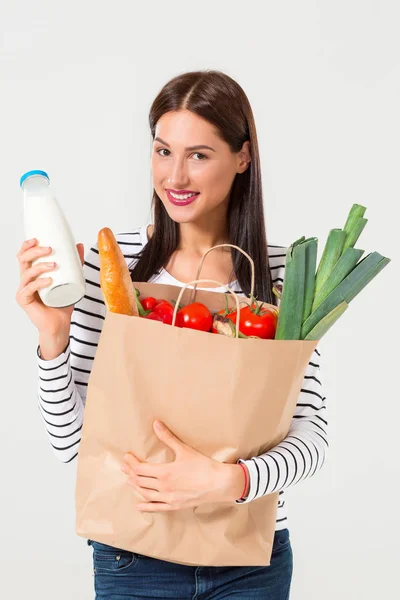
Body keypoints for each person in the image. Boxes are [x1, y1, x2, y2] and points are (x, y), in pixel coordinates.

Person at [16, 69, 328, 600]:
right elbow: (73, 447)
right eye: (163, 151)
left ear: (243, 157)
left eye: (199, 155)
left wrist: (232, 482)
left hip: (251, 558)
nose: (175, 176)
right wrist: (54, 338)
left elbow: (313, 436)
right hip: (133, 555)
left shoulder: (283, 274)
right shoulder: (112, 270)